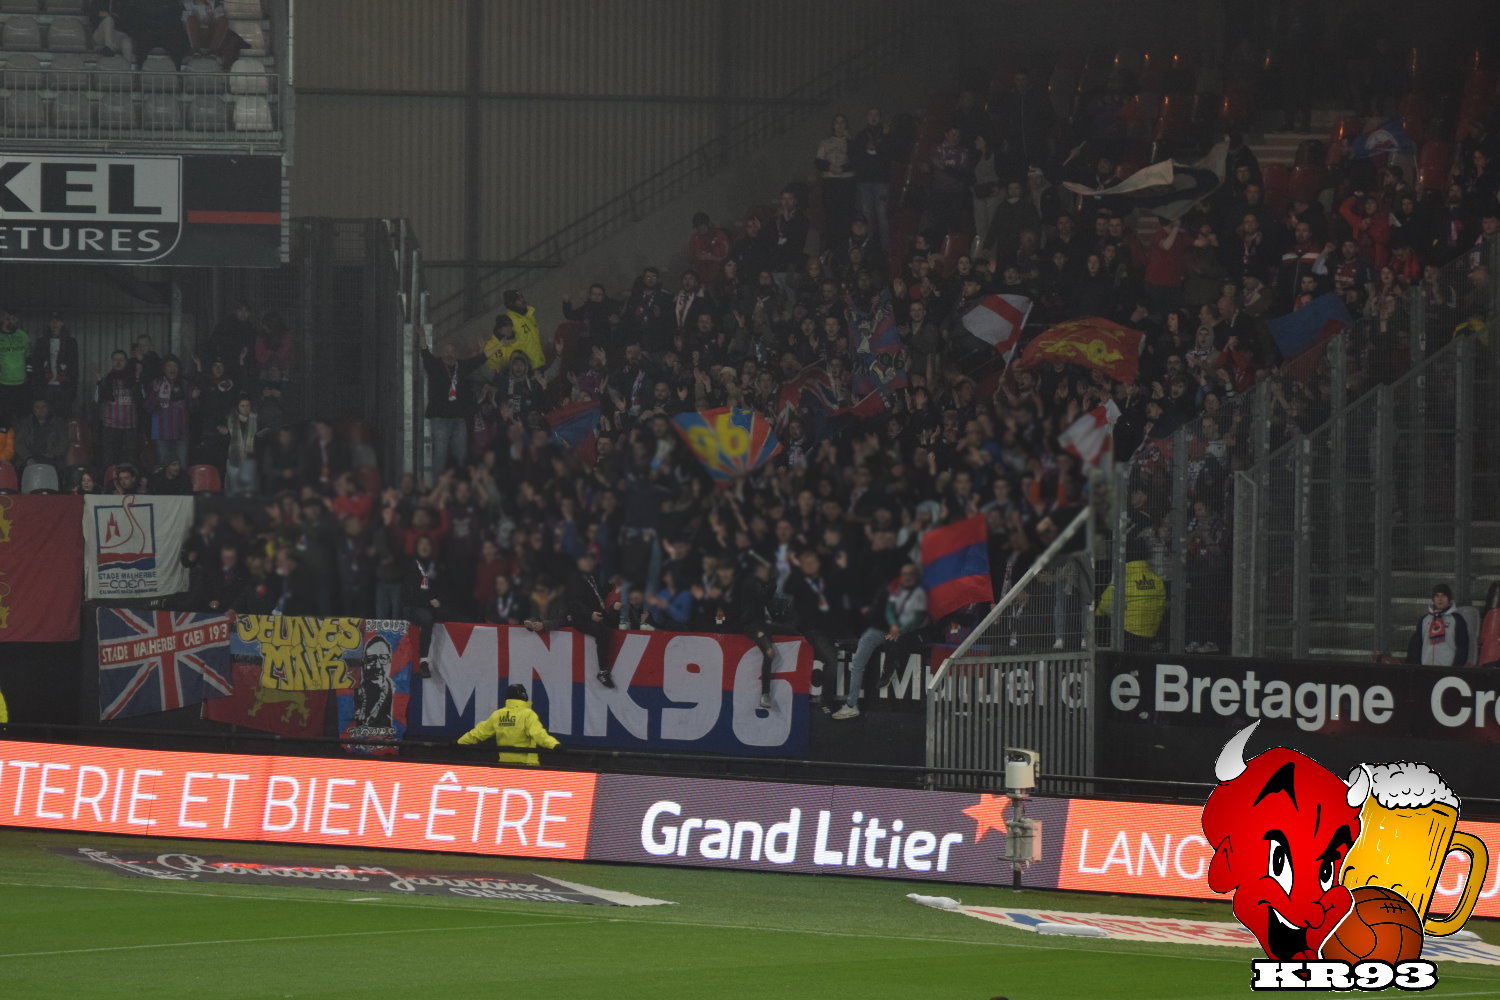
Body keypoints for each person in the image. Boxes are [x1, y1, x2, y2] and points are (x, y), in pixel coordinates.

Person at [833, 563, 928, 719]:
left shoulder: (920, 594)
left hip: (907, 632)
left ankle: (890, 669)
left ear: (916, 577)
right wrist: (892, 625)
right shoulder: (895, 589)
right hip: (885, 629)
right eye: (905, 574)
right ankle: (851, 705)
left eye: (911, 574)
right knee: (858, 659)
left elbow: (917, 619)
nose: (907, 577)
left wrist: (900, 630)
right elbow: (888, 609)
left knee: (896, 644)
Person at [526, 550, 618, 688]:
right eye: (585, 559)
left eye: (591, 560)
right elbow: (575, 602)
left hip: (596, 613)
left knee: (614, 624)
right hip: (581, 618)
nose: (589, 562)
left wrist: (609, 585)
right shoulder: (574, 579)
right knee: (603, 632)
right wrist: (590, 614)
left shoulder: (591, 577)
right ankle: (603, 671)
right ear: (578, 561)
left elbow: (597, 596)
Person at [419, 327, 487, 483]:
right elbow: (425, 352)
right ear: (441, 353)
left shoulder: (461, 366)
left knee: (461, 454)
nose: (449, 353)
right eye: (447, 350)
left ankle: (460, 486)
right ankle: (437, 487)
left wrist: (487, 348)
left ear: (456, 354)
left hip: (459, 418)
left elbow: (479, 360)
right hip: (440, 418)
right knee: (440, 454)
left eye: (452, 351)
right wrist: (422, 336)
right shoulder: (435, 365)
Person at [783, 549, 844, 712]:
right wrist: (796, 569)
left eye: (813, 562)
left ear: (819, 563)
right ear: (801, 566)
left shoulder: (825, 580)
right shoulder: (799, 582)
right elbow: (788, 588)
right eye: (806, 563)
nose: (810, 566)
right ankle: (826, 701)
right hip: (811, 630)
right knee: (832, 661)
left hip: (829, 628)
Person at [457, 683, 560, 766]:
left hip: (504, 764)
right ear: (524, 696)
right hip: (527, 765)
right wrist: (554, 745)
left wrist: (459, 742)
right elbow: (539, 735)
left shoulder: (498, 714)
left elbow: (478, 733)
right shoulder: (528, 714)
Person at [1406, 583, 1472, 667]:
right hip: (1426, 668)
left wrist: (1455, 668)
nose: (1440, 599)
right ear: (1433, 599)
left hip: (1448, 669)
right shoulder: (1424, 620)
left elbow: (1463, 647)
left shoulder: (1457, 620)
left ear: (1449, 599)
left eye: (1443, 596)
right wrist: (1418, 666)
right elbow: (1417, 646)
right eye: (1437, 596)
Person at [28, 313, 78, 416]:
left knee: (64, 415)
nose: (54, 324)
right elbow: (36, 366)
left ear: (62, 323)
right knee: (46, 416)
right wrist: (37, 387)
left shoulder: (70, 343)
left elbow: (74, 367)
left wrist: (73, 388)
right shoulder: (41, 342)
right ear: (49, 324)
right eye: (52, 321)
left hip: (64, 386)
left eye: (57, 321)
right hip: (46, 386)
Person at [0, 309, 30, 427]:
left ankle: (21, 438)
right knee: (4, 418)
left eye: (15, 319)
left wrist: (29, 378)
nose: (14, 321)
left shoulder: (23, 336)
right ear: (4, 319)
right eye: (11, 319)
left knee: (22, 417)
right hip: (3, 384)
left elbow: (28, 358)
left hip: (22, 384)